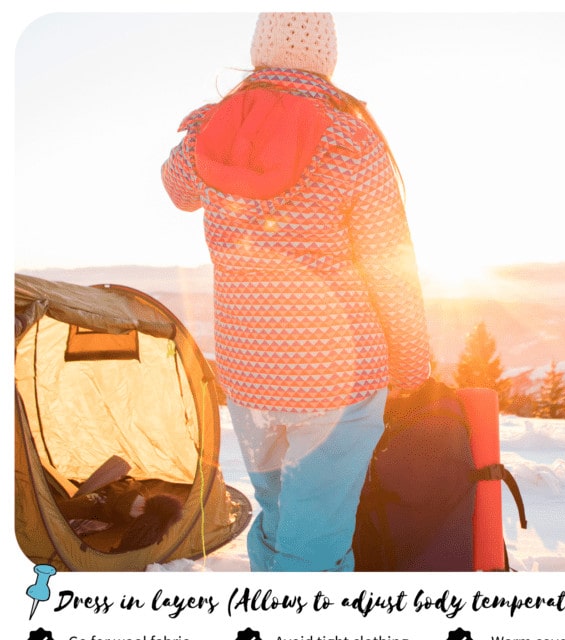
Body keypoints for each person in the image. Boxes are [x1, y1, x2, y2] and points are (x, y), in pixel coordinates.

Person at [162, 13, 430, 571]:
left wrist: (203, 129)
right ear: (328, 57)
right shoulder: (351, 137)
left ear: (259, 51)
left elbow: (177, 189)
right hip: (338, 378)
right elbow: (390, 266)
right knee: (318, 535)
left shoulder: (216, 128)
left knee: (279, 512)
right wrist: (410, 364)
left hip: (248, 372)